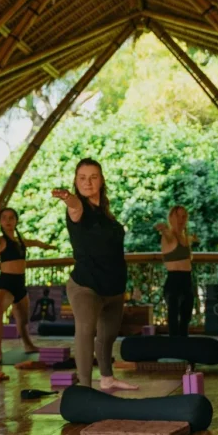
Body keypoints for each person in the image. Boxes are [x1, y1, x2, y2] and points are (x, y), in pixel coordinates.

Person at [52, 159, 137, 391]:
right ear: (75, 182)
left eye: (93, 177)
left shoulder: (105, 213)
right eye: (82, 177)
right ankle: (85, 389)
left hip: (114, 287)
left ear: (101, 180)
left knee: (108, 337)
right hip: (86, 285)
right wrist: (67, 196)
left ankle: (107, 378)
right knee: (86, 332)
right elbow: (73, 204)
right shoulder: (78, 208)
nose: (88, 182)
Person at [0, 207, 57, 363]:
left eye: (11, 217)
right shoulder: (0, 241)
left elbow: (34, 242)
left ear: (16, 221)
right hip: (5, 283)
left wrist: (48, 247)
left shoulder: (20, 241)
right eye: (4, 218)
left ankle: (28, 345)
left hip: (20, 283)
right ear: (0, 222)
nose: (8, 220)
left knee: (23, 319)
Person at [155, 206, 196, 337]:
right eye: (177, 216)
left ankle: (183, 349)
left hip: (187, 281)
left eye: (183, 216)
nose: (181, 219)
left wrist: (193, 239)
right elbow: (167, 235)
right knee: (173, 319)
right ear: (171, 218)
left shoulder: (185, 238)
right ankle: (173, 349)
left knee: (186, 318)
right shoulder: (170, 236)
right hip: (174, 281)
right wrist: (163, 229)